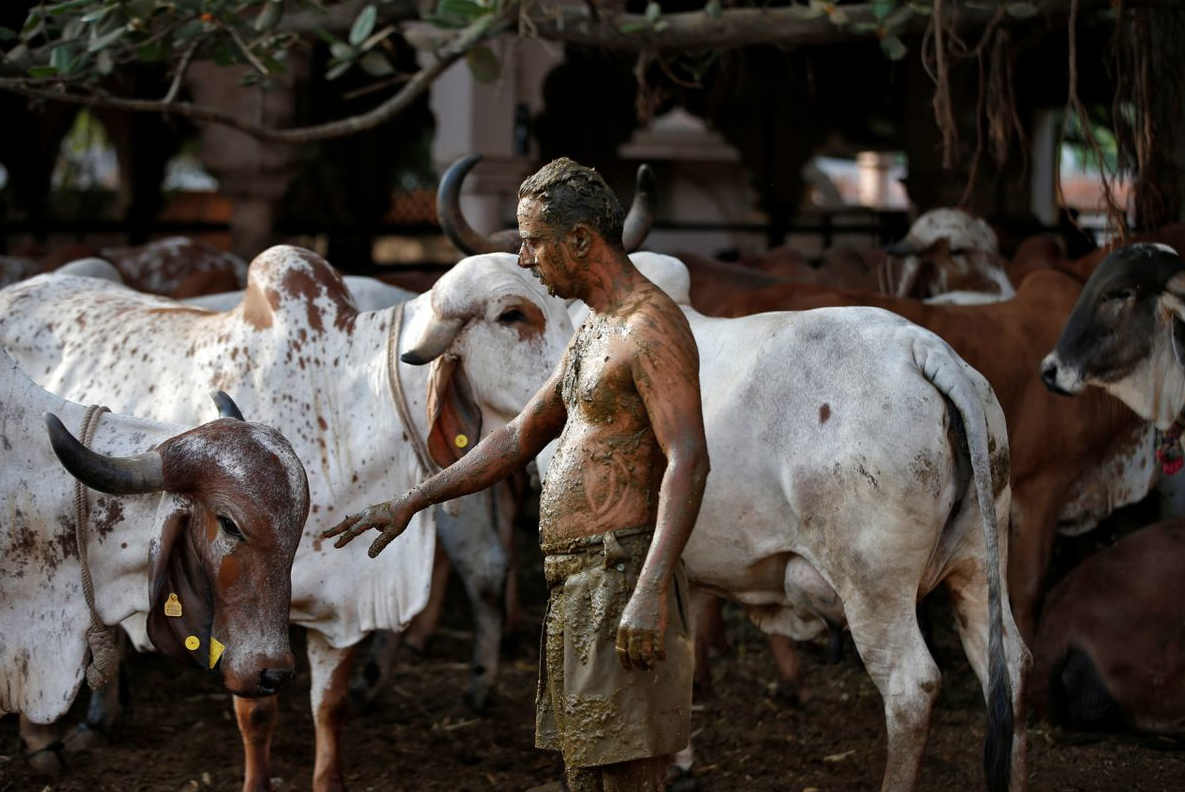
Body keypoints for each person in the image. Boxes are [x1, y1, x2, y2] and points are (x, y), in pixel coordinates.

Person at [325, 157, 710, 792]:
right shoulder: (594, 328)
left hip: (622, 573)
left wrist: (649, 589)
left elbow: (688, 460)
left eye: (533, 240)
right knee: (587, 772)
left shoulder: (650, 328)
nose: (525, 258)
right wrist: (412, 499)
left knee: (628, 775)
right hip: (577, 582)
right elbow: (518, 435)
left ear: (581, 240)